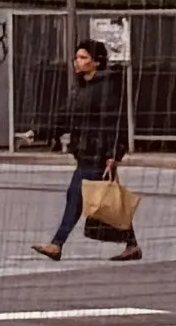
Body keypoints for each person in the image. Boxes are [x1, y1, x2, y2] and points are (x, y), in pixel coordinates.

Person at [40, 35, 140, 258]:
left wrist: (114, 155)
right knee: (105, 200)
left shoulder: (105, 89)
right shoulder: (82, 87)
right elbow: (66, 118)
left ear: (96, 61)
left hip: (98, 153)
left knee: (76, 196)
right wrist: (38, 132)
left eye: (83, 57)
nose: (77, 61)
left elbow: (115, 123)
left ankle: (57, 244)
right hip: (86, 152)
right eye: (77, 57)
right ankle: (132, 244)